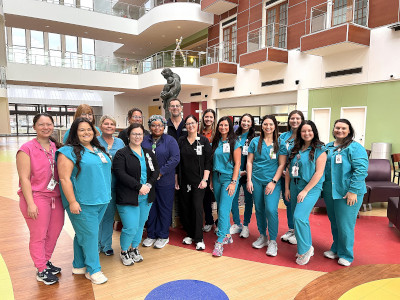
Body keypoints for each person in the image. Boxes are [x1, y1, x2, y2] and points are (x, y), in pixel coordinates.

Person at [57, 117, 111, 284]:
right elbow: (64, 179)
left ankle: (79, 265)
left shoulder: (97, 149)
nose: (86, 132)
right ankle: (93, 270)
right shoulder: (68, 151)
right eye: (81, 130)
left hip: (101, 200)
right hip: (82, 202)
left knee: (84, 234)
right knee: (90, 236)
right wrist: (72, 201)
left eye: (89, 129)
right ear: (74, 132)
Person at [16, 113, 64, 285]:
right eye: (41, 124)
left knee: (54, 232)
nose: (46, 127)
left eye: (49, 124)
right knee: (39, 235)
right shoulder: (26, 149)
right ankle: (41, 269)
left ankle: (45, 261)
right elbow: (25, 179)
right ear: (34, 126)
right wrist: (30, 203)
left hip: (55, 197)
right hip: (36, 197)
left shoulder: (56, 147)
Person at [322, 119, 368, 267]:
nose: (339, 131)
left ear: (349, 131)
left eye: (343, 128)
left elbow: (361, 170)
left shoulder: (355, 147)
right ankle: (336, 248)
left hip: (347, 192)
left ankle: (346, 254)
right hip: (330, 191)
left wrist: (353, 191)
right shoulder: (328, 147)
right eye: (337, 128)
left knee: (345, 224)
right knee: (334, 222)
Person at [113, 123, 160, 266]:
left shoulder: (148, 153)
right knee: (130, 227)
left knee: (140, 226)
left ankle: (134, 248)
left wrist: (149, 185)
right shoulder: (122, 154)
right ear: (128, 135)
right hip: (128, 197)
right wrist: (138, 186)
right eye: (134, 133)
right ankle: (124, 251)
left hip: (146, 197)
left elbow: (155, 170)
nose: (137, 136)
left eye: (140, 134)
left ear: (143, 136)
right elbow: (120, 173)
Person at [285, 120, 327, 265]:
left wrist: (305, 191)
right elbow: (289, 170)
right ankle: (308, 245)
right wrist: (287, 188)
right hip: (294, 185)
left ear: (314, 132)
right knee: (300, 218)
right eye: (303, 131)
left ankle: (304, 250)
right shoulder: (295, 148)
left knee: (298, 217)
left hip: (310, 187)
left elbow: (319, 173)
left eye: (309, 130)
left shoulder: (320, 149)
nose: (306, 133)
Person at [246, 115, 286, 256]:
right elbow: (249, 162)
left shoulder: (280, 143)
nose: (268, 127)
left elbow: (281, 164)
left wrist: (273, 181)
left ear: (275, 126)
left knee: (271, 209)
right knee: (260, 209)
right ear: (261, 126)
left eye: (270, 124)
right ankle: (262, 235)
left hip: (272, 182)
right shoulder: (255, 142)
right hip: (256, 180)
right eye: (265, 124)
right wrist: (249, 180)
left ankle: (273, 241)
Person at [141, 115, 180, 249]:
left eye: (160, 125)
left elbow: (175, 158)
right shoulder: (144, 140)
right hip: (148, 181)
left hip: (165, 180)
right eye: (153, 125)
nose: (157, 128)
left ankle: (163, 235)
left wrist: (160, 172)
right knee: (150, 208)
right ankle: (151, 234)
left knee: (164, 208)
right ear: (149, 126)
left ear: (164, 127)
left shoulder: (170, 141)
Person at [176, 115, 212, 250]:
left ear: (197, 124)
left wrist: (205, 179)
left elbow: (208, 161)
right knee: (186, 207)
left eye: (193, 123)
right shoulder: (181, 141)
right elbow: (177, 162)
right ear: (185, 125)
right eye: (188, 123)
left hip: (199, 181)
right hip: (184, 180)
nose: (190, 126)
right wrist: (176, 179)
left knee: (197, 207)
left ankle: (199, 238)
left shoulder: (203, 141)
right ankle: (190, 234)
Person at [210, 116, 241, 257]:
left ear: (230, 127)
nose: (223, 127)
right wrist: (211, 179)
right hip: (216, 178)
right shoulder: (215, 142)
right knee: (221, 207)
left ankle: (220, 241)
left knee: (222, 210)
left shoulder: (235, 142)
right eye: (221, 125)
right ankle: (227, 234)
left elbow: (238, 164)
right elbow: (212, 162)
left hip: (229, 179)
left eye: (226, 125)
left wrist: (234, 182)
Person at [97, 115, 125, 256]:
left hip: (115, 184)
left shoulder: (120, 142)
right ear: (101, 126)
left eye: (112, 124)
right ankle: (95, 244)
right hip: (98, 185)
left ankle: (106, 245)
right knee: (97, 217)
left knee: (108, 216)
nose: (109, 126)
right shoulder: (95, 141)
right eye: (106, 124)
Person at [279, 110, 305, 245]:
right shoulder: (283, 136)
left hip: (298, 177)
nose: (294, 121)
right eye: (292, 118)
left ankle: (298, 231)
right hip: (283, 176)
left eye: (297, 118)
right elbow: (277, 154)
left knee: (298, 205)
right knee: (288, 202)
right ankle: (291, 228)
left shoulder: (304, 136)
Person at [229, 114, 256, 238]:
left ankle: (245, 225)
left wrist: (246, 171)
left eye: (248, 121)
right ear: (240, 122)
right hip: (235, 172)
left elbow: (255, 158)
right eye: (243, 121)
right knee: (232, 198)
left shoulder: (255, 139)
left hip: (248, 174)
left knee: (248, 200)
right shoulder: (234, 136)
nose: (245, 123)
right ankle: (237, 223)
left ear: (251, 123)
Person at [199, 108, 216, 232]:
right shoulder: (200, 132)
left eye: (211, 117)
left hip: (215, 168)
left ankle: (220, 222)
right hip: (203, 168)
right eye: (206, 117)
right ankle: (209, 220)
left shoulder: (217, 133)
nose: (208, 119)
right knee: (206, 198)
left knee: (218, 198)